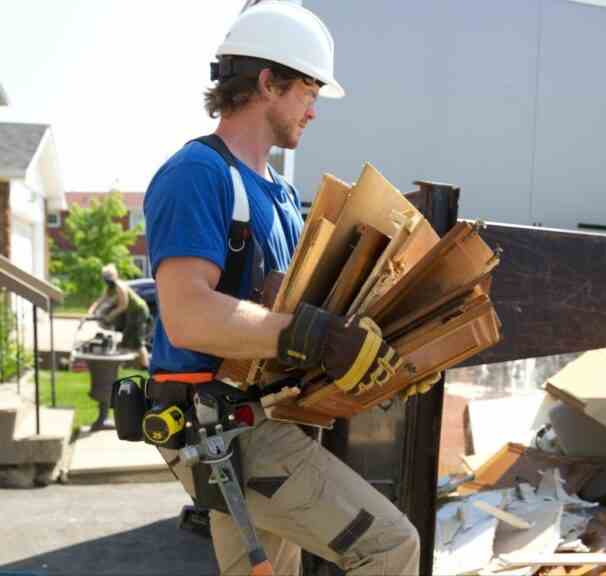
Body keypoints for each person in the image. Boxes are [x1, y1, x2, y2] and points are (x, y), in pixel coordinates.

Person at [142, 3, 420, 575]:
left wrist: (396, 357)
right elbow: (188, 315)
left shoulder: (280, 197)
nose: (314, 111)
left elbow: (295, 311)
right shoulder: (198, 175)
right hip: (221, 426)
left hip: (264, 418)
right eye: (308, 92)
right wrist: (313, 337)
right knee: (391, 547)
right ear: (268, 82)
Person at [87, 263, 150, 369]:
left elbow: (123, 305)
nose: (107, 279)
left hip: (138, 311)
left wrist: (110, 316)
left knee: (137, 340)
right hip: (131, 312)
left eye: (108, 277)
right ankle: (128, 365)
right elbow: (100, 300)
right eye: (105, 277)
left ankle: (145, 366)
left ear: (114, 276)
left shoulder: (120, 286)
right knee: (127, 339)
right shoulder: (110, 288)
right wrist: (91, 310)